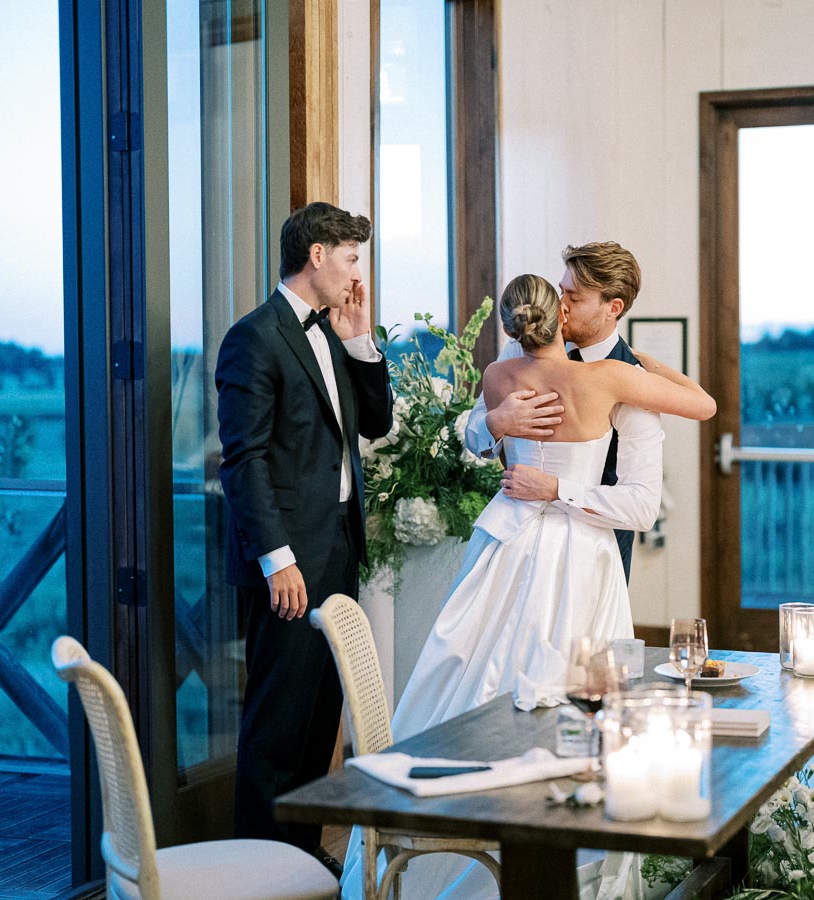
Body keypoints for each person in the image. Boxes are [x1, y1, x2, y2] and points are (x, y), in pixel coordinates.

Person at [341, 273, 714, 899]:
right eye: (562, 295)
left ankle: (439, 852)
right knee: (571, 694)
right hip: (579, 553)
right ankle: (551, 849)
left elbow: (481, 439)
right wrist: (639, 363)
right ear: (558, 319)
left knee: (472, 676)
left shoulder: (495, 378)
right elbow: (702, 405)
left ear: (510, 326)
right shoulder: (605, 381)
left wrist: (495, 424)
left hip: (505, 548)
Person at [216, 202, 393, 874]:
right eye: (351, 257)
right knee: (276, 728)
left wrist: (358, 339)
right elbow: (245, 460)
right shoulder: (254, 338)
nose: (356, 273)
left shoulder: (330, 330)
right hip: (288, 562)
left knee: (320, 721)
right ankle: (253, 874)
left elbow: (373, 424)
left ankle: (297, 869)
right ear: (317, 254)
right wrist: (277, 560)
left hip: (337, 551)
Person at [465, 242, 658, 581]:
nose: (560, 307)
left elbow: (640, 505)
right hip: (513, 545)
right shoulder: (522, 346)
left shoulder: (630, 378)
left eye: (575, 297)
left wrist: (555, 488)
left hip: (595, 549)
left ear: (613, 307)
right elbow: (474, 437)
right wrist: (496, 422)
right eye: (561, 291)